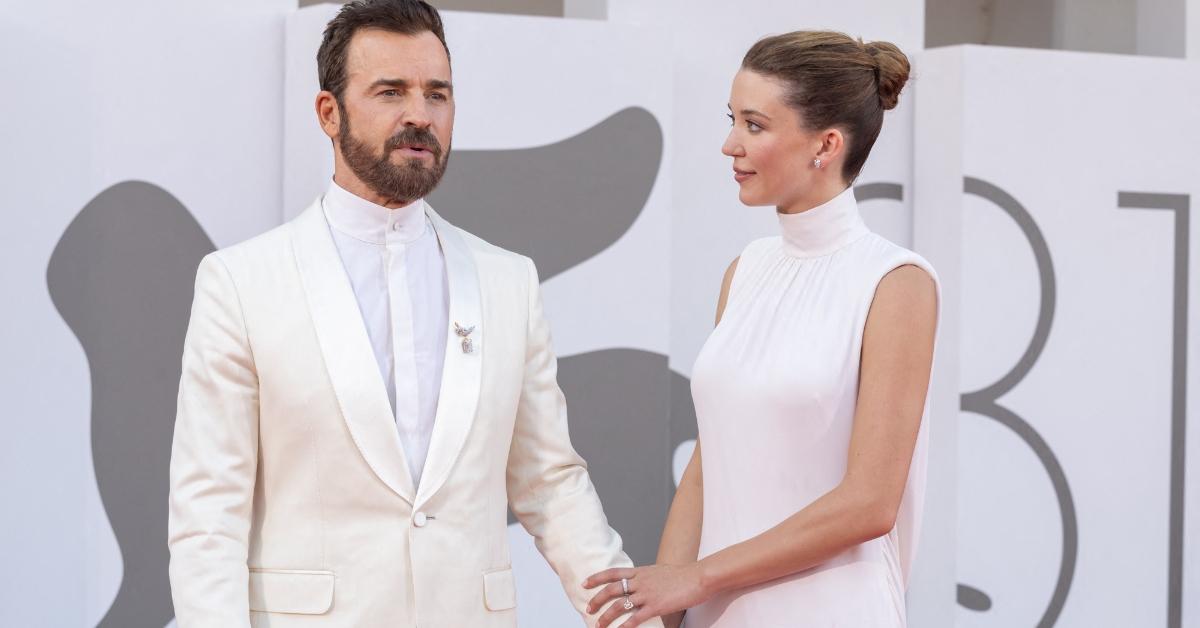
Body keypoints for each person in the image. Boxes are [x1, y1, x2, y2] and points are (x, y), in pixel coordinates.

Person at [167, 2, 658, 626]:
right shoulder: (241, 283)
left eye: (437, 94)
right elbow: (208, 511)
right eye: (390, 92)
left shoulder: (508, 281)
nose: (419, 116)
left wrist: (629, 616)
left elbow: (550, 482)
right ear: (329, 112)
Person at [584, 31, 938, 627]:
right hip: (717, 612)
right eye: (734, 120)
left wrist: (695, 578)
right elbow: (708, 459)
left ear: (825, 145)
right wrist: (665, 609)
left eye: (755, 125)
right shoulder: (745, 272)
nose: (729, 145)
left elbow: (871, 503)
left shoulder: (896, 282)